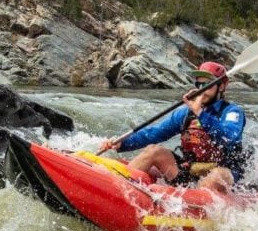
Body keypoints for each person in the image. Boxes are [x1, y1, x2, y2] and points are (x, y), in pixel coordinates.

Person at [98, 61, 247, 193]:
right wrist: (123, 143)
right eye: (199, 84)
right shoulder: (185, 114)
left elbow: (228, 136)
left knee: (217, 176)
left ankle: (195, 205)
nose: (202, 89)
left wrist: (200, 113)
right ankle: (118, 190)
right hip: (190, 171)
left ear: (221, 86)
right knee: (153, 151)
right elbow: (154, 133)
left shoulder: (232, 112)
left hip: (223, 172)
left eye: (207, 85)